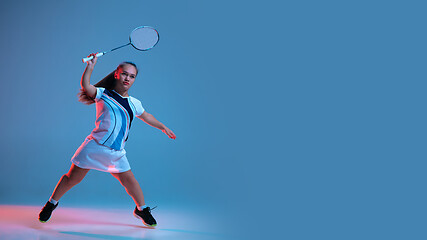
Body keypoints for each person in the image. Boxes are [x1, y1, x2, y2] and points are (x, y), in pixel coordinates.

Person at [38, 53, 176, 227]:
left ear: (134, 79)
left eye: (132, 76)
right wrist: (91, 66)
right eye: (125, 73)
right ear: (116, 74)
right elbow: (86, 86)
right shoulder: (103, 94)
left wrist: (163, 127)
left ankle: (141, 209)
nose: (128, 78)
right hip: (94, 147)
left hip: (116, 153)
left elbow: (147, 116)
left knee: (130, 182)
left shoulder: (134, 103)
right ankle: (51, 204)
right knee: (72, 178)